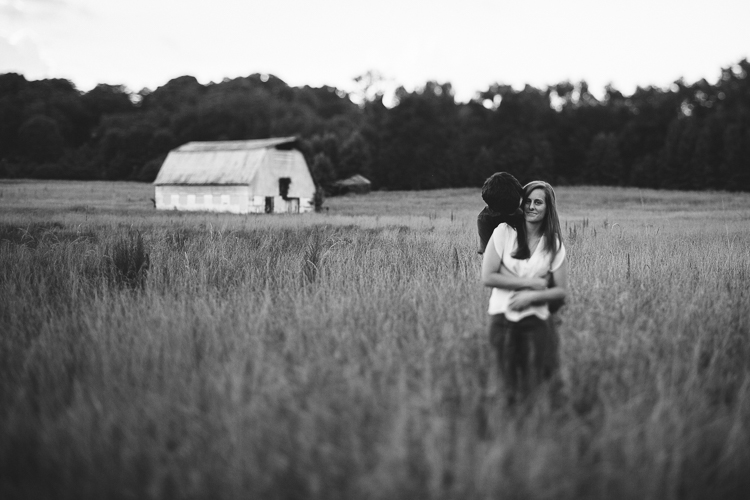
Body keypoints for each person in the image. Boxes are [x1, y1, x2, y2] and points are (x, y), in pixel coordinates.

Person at [480, 180, 568, 403]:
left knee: (536, 385)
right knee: (503, 387)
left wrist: (532, 296)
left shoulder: (553, 244)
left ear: (548, 208)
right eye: (527, 201)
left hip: (536, 319)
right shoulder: (503, 232)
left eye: (538, 202)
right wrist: (530, 284)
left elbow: (560, 291)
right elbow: (488, 276)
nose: (531, 206)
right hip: (501, 318)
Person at [477, 172, 524, 255]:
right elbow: (486, 252)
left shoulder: (526, 209)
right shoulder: (485, 219)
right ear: (496, 210)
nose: (515, 212)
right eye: (510, 212)